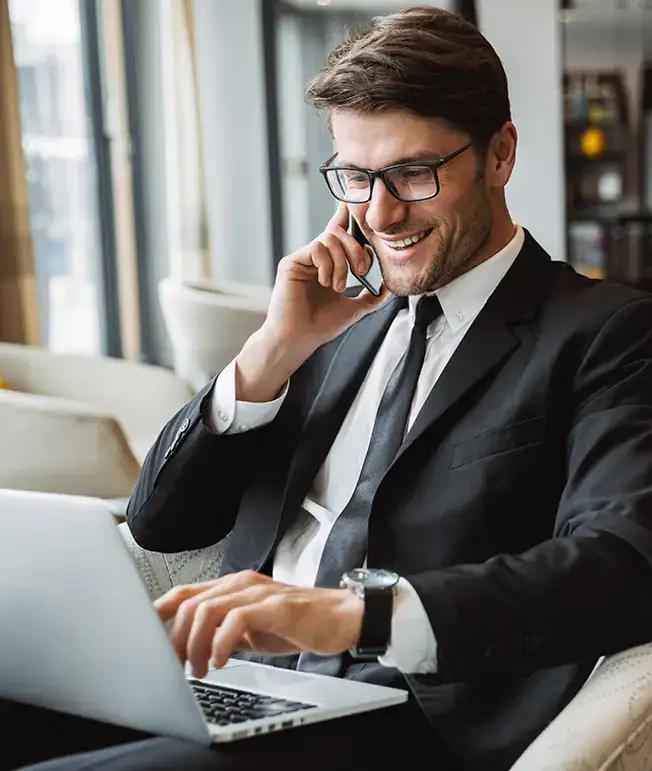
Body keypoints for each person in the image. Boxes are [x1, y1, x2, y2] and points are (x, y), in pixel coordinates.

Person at [6, 6, 652, 771]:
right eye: (355, 176)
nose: (379, 213)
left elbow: (621, 561)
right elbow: (159, 524)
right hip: (235, 683)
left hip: (408, 719)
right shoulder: (332, 326)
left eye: (414, 173)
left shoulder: (606, 332)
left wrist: (355, 616)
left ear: (500, 154)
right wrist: (271, 350)